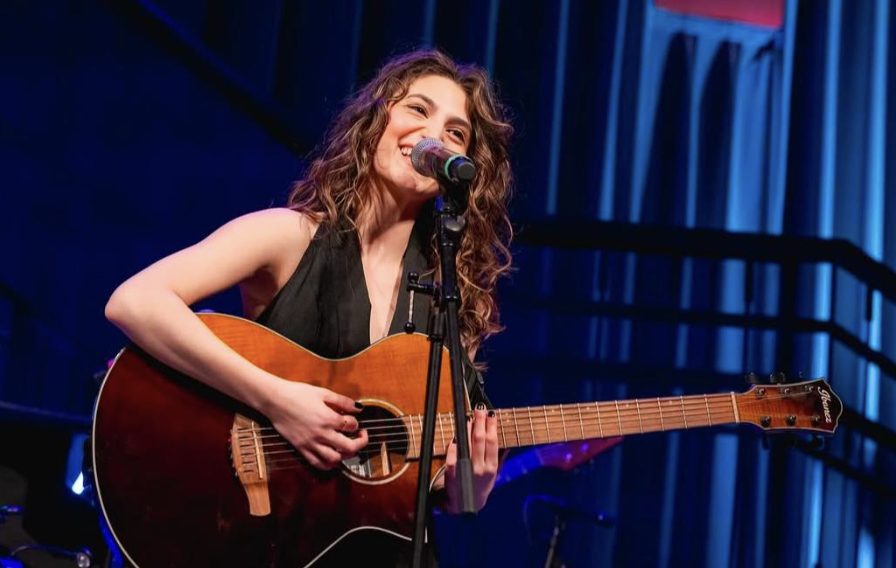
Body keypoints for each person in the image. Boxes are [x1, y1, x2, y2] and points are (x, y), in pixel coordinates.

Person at [104, 49, 514, 564]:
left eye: (456, 133)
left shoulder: (450, 296)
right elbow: (135, 301)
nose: (435, 135)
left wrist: (467, 489)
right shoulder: (288, 236)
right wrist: (277, 400)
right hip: (266, 541)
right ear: (375, 120)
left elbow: (429, 484)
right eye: (417, 109)